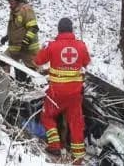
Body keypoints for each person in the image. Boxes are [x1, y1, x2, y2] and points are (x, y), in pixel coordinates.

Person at [34, 18, 90, 163]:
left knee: (47, 116)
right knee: (76, 123)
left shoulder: (51, 45)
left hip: (56, 94)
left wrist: (45, 49)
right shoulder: (81, 46)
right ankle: (78, 157)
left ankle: (54, 145)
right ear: (72, 30)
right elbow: (86, 62)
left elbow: (38, 61)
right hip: (75, 94)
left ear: (58, 30)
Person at [0, 0, 40, 69]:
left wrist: (25, 42)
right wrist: (7, 37)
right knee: (2, 63)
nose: (9, 3)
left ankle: (46, 80)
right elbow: (16, 28)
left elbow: (33, 28)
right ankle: (5, 81)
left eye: (11, 0)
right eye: (8, 1)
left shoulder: (26, 9)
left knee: (35, 71)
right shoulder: (14, 11)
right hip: (15, 48)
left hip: (28, 49)